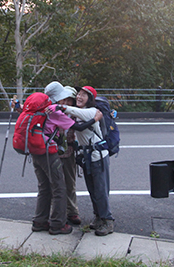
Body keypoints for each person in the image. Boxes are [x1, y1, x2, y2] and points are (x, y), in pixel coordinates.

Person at [11, 82, 102, 235]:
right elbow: (78, 127)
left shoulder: (39, 107)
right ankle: (58, 224)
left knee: (44, 187)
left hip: (35, 152)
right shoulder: (54, 111)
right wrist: (96, 118)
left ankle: (39, 221)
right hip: (48, 153)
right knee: (59, 188)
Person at [56, 86, 115, 236]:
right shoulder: (78, 114)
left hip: (98, 156)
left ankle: (108, 221)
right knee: (92, 189)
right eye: (79, 94)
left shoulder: (92, 111)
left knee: (101, 190)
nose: (79, 97)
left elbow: (75, 112)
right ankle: (98, 218)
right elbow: (75, 125)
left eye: (84, 95)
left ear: (90, 99)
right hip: (87, 156)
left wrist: (59, 106)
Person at [57, 86, 81, 225]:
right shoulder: (52, 111)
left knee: (70, 183)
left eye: (69, 100)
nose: (65, 103)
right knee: (55, 184)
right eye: (63, 99)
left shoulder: (75, 113)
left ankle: (72, 212)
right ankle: (56, 213)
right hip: (53, 152)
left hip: (69, 151)